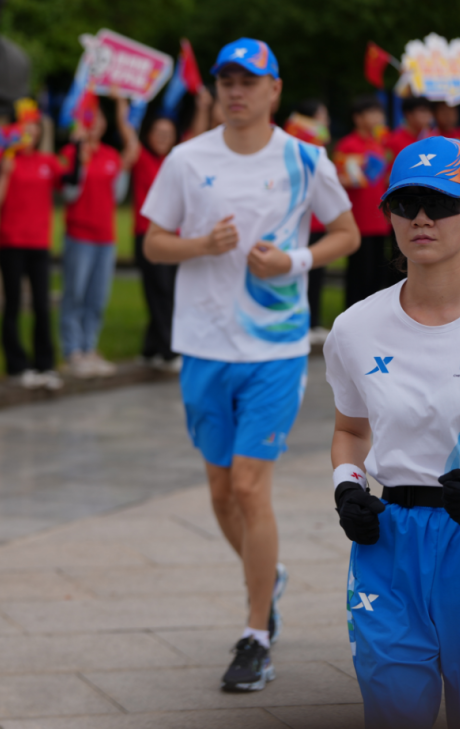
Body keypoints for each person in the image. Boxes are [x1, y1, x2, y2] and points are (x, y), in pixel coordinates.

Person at [142, 38, 360, 692]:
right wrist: (201, 244)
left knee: (247, 486)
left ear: (274, 89)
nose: (236, 91)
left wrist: (293, 262)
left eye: (249, 81)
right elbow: (152, 243)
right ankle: (269, 576)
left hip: (274, 347)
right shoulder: (186, 159)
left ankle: (256, 632)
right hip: (204, 347)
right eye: (226, 81)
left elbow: (346, 232)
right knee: (218, 491)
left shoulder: (303, 158)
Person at [324, 136, 460, 729]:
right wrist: (347, 487)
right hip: (388, 547)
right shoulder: (354, 328)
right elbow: (349, 428)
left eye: (442, 204)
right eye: (407, 202)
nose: (422, 217)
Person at [59, 97, 139, 378]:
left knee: (97, 298)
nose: (94, 124)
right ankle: (73, 351)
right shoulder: (69, 153)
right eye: (89, 118)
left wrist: (122, 112)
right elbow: (68, 195)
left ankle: (90, 347)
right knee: (75, 295)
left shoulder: (110, 155)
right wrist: (79, 162)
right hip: (79, 236)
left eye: (99, 119)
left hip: (106, 239)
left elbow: (117, 195)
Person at [0, 104, 64, 390]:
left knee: (42, 305)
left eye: (34, 125)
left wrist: (81, 148)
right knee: (13, 304)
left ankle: (46, 364)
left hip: (40, 244)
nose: (30, 131)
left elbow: (70, 185)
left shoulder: (48, 161)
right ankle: (17, 366)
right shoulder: (2, 162)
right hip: (11, 243)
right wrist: (5, 170)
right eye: (23, 125)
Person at [129, 114, 180, 372]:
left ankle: (151, 348)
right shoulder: (141, 158)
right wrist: (122, 104)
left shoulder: (174, 162)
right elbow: (127, 132)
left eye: (168, 134)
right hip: (147, 236)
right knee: (160, 291)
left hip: (174, 237)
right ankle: (168, 350)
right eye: (158, 133)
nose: (163, 138)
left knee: (168, 291)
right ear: (148, 135)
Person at [336, 95, 393, 307]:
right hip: (359, 221)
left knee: (377, 275)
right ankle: (351, 315)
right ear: (358, 118)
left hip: (379, 220)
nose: (379, 117)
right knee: (359, 274)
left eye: (380, 113)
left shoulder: (378, 144)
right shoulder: (347, 145)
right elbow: (341, 178)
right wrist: (352, 176)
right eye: (373, 112)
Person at [284, 99, 332, 344]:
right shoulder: (297, 141)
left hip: (318, 218)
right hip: (303, 219)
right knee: (303, 273)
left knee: (316, 273)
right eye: (323, 114)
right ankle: (303, 321)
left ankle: (312, 322)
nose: (327, 121)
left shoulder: (314, 141)